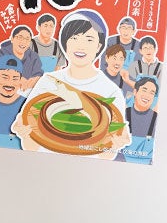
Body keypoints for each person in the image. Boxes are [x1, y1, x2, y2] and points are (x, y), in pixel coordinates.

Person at [12, 9, 130, 160]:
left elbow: (107, 155)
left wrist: (116, 143)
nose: (80, 46)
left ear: (99, 46)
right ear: (65, 43)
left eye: (89, 39)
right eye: (74, 38)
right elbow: (29, 144)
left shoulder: (111, 91)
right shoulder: (48, 81)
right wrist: (23, 131)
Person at [119, 77, 159, 164]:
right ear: (135, 92)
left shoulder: (157, 120)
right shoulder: (121, 116)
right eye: (144, 90)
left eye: (152, 93)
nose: (147, 96)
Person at [0, 25, 42, 91]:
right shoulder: (1, 54)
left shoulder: (33, 56)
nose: (23, 42)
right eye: (20, 37)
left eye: (27, 39)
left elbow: (38, 73)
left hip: (27, 92)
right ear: (12, 39)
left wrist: (35, 80)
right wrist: (17, 79)